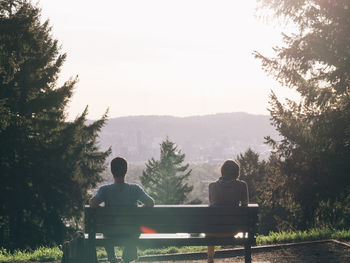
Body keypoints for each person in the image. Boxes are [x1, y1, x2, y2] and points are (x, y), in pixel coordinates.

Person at [89, 157, 154, 263]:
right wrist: (139, 210)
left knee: (106, 230)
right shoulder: (135, 189)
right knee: (134, 230)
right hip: (130, 233)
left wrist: (103, 211)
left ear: (111, 171)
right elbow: (150, 203)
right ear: (126, 171)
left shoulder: (105, 190)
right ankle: (127, 257)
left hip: (111, 233)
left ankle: (112, 257)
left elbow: (92, 203)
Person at [207, 160, 249, 263]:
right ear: (237, 172)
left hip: (214, 231)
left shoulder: (212, 186)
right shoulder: (242, 185)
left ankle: (210, 258)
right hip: (234, 229)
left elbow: (212, 203)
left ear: (222, 171)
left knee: (211, 223)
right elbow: (245, 204)